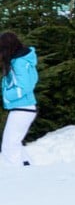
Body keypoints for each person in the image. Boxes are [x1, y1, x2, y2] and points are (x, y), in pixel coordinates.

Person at [0, 31, 38, 167]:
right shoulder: (19, 61)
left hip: (23, 108)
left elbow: (24, 86)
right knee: (14, 143)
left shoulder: (19, 63)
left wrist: (6, 96)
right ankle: (29, 169)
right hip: (23, 108)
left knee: (9, 145)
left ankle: (16, 176)